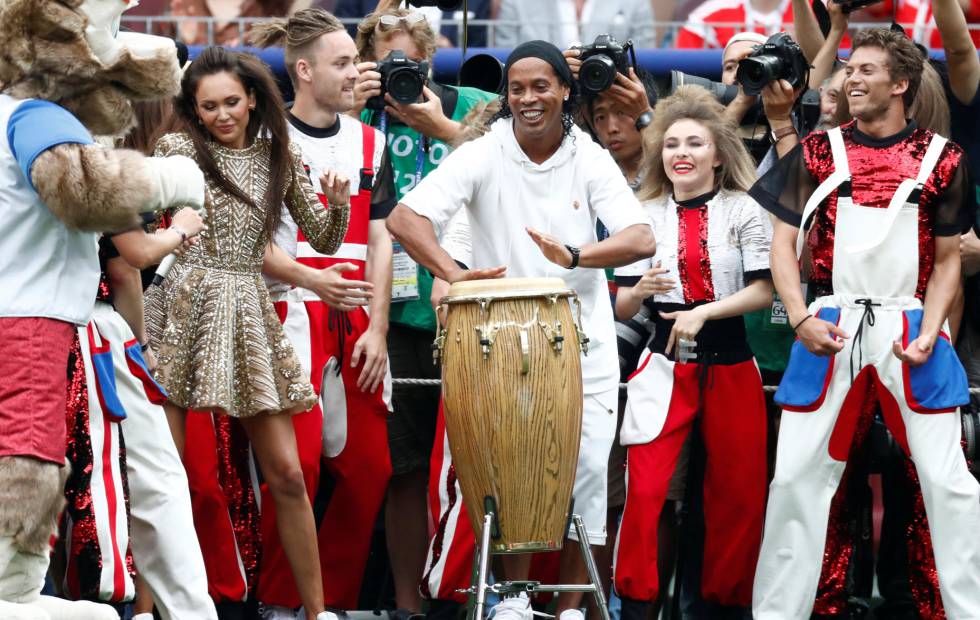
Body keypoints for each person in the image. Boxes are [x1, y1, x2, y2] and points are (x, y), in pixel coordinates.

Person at [386, 40, 656, 620]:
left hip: (585, 337)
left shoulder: (588, 155)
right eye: (517, 88)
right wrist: (454, 274)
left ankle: (574, 609)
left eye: (541, 86)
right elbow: (404, 218)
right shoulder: (485, 151)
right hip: (500, 335)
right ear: (506, 96)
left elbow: (641, 237)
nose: (529, 98)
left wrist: (577, 256)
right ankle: (512, 599)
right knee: (512, 466)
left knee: (586, 474)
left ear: (565, 90)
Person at [749, 28, 980, 619]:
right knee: (794, 480)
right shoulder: (817, 151)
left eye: (867, 70)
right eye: (850, 69)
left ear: (900, 84)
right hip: (830, 322)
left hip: (910, 324)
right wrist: (799, 316)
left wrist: (931, 330)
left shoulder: (943, 158)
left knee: (950, 483)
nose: (852, 79)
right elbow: (781, 244)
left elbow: (950, 257)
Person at [144, 46, 350, 620]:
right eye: (207, 105)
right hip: (184, 305)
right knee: (167, 471)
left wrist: (338, 203)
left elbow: (325, 238)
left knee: (287, 473)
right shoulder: (179, 148)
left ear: (254, 98)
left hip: (249, 308)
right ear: (194, 108)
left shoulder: (277, 155)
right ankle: (145, 609)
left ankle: (316, 612)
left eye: (231, 101)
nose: (221, 114)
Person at [248, 9, 398, 618]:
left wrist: (381, 326)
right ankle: (280, 603)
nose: (354, 74)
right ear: (304, 70)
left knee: (371, 471)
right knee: (298, 469)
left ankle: (326, 603)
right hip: (291, 316)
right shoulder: (264, 138)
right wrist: (312, 281)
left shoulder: (372, 141)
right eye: (342, 63)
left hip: (357, 321)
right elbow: (251, 239)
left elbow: (384, 237)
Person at [349, 9, 498, 616]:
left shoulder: (476, 103)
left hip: (469, 300)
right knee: (403, 466)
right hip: (393, 310)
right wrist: (347, 104)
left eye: (411, 63)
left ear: (433, 57)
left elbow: (522, 160)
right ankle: (409, 602)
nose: (400, 77)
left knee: (480, 462)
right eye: (387, 67)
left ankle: (472, 592)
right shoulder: (356, 114)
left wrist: (441, 126)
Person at [612, 85, 772, 619]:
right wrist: (638, 292)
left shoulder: (746, 208)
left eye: (695, 144)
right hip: (661, 365)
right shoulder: (642, 214)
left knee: (738, 497)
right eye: (672, 143)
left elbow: (763, 290)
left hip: (730, 363)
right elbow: (621, 306)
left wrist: (704, 312)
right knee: (647, 490)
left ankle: (724, 607)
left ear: (718, 155)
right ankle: (636, 605)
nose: (682, 153)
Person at [63, 206, 218, 620]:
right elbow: (128, 263)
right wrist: (179, 232)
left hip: (22, 328)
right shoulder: (85, 156)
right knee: (156, 481)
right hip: (85, 331)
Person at [494, 0, 656, 49]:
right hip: (542, 101)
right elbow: (507, 60)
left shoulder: (635, 3)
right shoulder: (516, 3)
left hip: (610, 100)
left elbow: (643, 60)